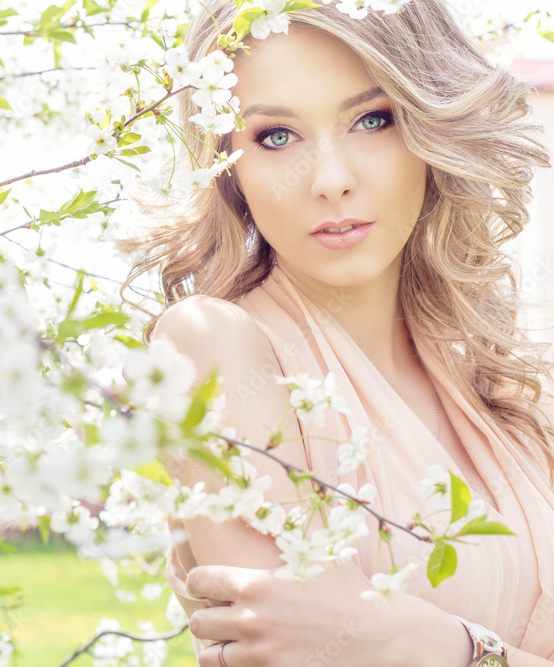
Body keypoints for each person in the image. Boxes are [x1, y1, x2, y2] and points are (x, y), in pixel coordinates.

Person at [120, 0, 554, 665]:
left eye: (371, 120)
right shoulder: (210, 345)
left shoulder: (512, 378)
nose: (331, 180)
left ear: (430, 121)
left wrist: (439, 645)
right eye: (275, 136)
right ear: (225, 162)